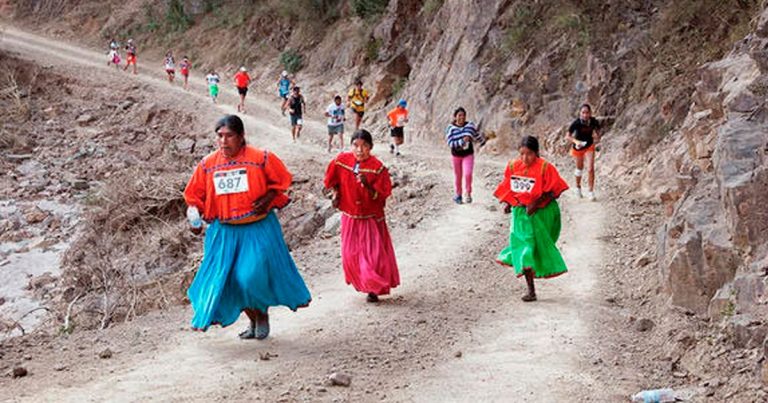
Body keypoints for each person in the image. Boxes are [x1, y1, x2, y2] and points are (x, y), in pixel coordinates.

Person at [184, 115, 311, 339]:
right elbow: (193, 197)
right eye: (219, 136)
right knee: (230, 281)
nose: (223, 141)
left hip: (257, 228)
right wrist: (193, 218)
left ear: (241, 136)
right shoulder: (207, 165)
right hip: (224, 233)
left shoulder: (261, 158)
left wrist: (270, 196)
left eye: (229, 136)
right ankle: (253, 320)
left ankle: (261, 313)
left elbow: (281, 182)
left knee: (249, 276)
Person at [324, 129, 399, 303]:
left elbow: (382, 195)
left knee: (372, 256)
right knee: (350, 254)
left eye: (364, 146)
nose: (359, 150)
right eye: (356, 146)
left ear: (371, 147)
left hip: (370, 218)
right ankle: (363, 281)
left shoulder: (377, 168)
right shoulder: (341, 161)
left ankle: (373, 289)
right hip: (350, 216)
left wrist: (368, 185)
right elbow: (331, 181)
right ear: (350, 146)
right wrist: (336, 194)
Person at [494, 135, 569, 302]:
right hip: (520, 214)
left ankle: (531, 287)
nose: (525, 158)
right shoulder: (513, 166)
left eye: (529, 154)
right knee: (524, 247)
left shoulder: (545, 167)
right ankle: (531, 290)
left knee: (532, 247)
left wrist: (537, 203)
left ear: (536, 153)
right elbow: (510, 187)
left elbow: (554, 191)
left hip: (540, 215)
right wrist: (509, 203)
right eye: (521, 153)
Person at [445, 107, 486, 204]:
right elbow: (450, 143)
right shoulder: (450, 128)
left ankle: (468, 193)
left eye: (463, 115)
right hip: (456, 155)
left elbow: (476, 135)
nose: (461, 117)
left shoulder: (470, 126)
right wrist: (462, 141)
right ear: (455, 117)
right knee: (458, 176)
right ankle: (458, 195)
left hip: (468, 154)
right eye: (459, 115)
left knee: (468, 174)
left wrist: (483, 142)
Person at [566, 104, 601, 201]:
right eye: (583, 113)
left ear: (590, 113)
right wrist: (576, 141)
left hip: (589, 146)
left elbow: (598, 131)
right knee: (579, 168)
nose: (585, 115)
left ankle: (590, 192)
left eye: (587, 113)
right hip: (578, 147)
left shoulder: (593, 121)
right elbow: (568, 136)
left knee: (590, 168)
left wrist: (597, 137)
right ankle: (578, 187)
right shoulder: (576, 123)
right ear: (580, 113)